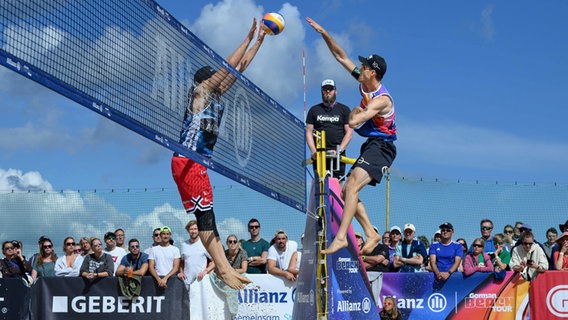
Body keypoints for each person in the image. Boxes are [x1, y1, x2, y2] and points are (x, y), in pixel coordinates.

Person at [171, 18, 266, 290]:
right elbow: (228, 67)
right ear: (205, 80)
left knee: (207, 216)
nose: (221, 79)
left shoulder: (217, 96)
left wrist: (259, 40)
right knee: (205, 217)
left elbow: (240, 68)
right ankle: (224, 269)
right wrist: (246, 38)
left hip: (194, 163)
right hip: (188, 160)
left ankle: (224, 267)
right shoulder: (200, 93)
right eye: (214, 76)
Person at [307, 17, 397, 256]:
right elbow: (340, 56)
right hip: (372, 143)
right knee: (347, 191)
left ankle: (341, 238)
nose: (362, 68)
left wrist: (356, 111)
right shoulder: (362, 80)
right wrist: (324, 32)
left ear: (373, 72)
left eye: (366, 66)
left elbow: (354, 121)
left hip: (384, 147)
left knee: (353, 184)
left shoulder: (381, 99)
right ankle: (371, 232)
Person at [305, 79, 353, 179]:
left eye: (330, 89)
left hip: (337, 155)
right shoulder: (314, 110)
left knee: (336, 187)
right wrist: (313, 151)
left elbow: (349, 133)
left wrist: (338, 150)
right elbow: (308, 132)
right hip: (319, 155)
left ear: (335, 90)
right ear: (321, 91)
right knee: (320, 186)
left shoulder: (344, 109)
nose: (328, 91)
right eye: (325, 89)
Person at [178, 221, 213, 286]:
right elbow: (182, 262)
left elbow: (214, 262)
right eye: (191, 229)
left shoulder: (204, 244)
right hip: (187, 282)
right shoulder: (184, 245)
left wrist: (205, 271)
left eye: (195, 229)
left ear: (199, 230)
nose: (193, 231)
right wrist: (181, 272)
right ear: (188, 231)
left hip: (201, 282)